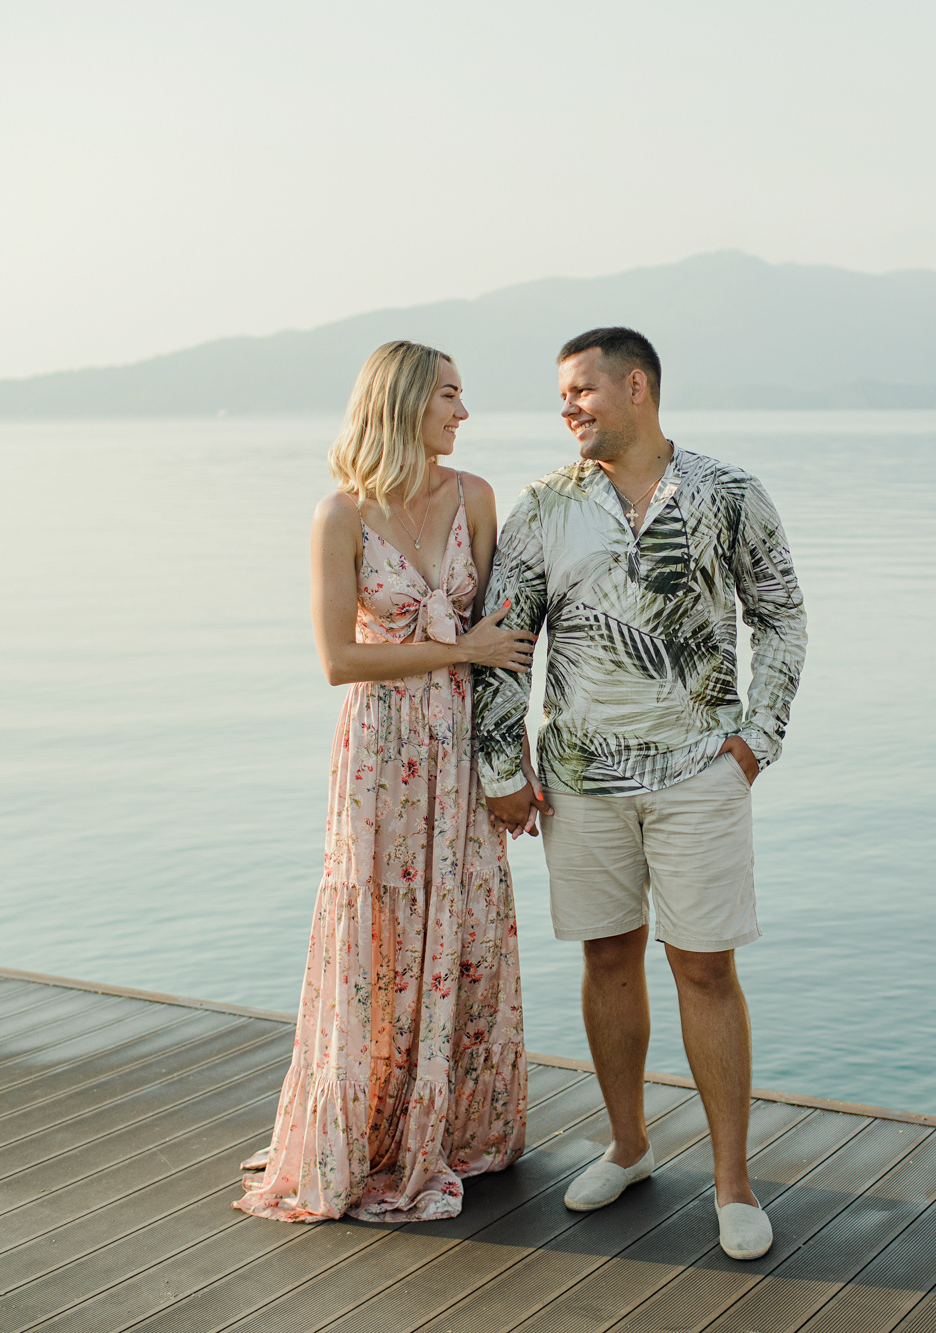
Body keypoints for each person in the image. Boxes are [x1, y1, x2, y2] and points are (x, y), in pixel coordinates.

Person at [474, 327, 807, 1260]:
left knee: (704, 964)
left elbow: (781, 614)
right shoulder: (543, 508)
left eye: (582, 390)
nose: (569, 407)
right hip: (579, 780)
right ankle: (627, 1145)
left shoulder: (729, 494)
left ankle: (734, 1186)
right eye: (562, 396)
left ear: (638, 387)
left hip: (702, 770)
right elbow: (506, 644)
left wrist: (758, 738)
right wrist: (504, 768)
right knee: (608, 958)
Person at [235, 340, 539, 1224]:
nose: (463, 411)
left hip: (460, 745)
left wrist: (508, 766)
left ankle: (452, 1126)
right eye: (449, 394)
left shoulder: (476, 499)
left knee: (466, 922)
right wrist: (458, 649)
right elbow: (339, 659)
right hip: (382, 751)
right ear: (405, 403)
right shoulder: (340, 516)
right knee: (379, 927)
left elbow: (505, 650)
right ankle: (371, 1132)